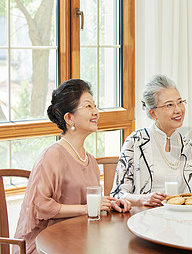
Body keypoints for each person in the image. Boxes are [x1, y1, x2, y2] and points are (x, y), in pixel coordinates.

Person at [14, 79, 131, 254]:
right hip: (46, 244)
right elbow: (40, 205)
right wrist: (88, 208)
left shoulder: (90, 160)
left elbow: (86, 201)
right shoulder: (52, 156)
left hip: (78, 240)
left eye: (95, 106)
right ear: (69, 118)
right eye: (88, 107)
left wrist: (111, 203)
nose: (96, 112)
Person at [110, 75, 192, 206]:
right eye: (169, 105)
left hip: (181, 219)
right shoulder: (136, 142)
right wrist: (144, 199)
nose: (178, 110)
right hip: (143, 218)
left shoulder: (190, 147)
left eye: (180, 102)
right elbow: (117, 194)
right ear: (153, 113)